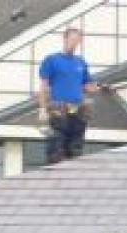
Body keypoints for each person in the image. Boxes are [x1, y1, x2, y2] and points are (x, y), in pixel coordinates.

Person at [38, 28, 107, 164]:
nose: (75, 43)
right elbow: (43, 86)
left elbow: (87, 85)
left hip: (77, 109)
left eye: (77, 41)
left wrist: (101, 88)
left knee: (75, 149)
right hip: (59, 109)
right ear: (64, 39)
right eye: (72, 40)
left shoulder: (80, 62)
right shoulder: (52, 60)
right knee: (57, 148)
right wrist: (42, 109)